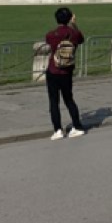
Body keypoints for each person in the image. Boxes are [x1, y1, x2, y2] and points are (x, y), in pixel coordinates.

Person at [45, 7, 86, 140]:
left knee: (53, 101)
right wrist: (74, 24)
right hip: (67, 71)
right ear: (69, 18)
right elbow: (81, 39)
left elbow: (48, 43)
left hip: (53, 69)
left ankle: (58, 130)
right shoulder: (74, 34)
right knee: (69, 99)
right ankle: (77, 126)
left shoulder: (52, 35)